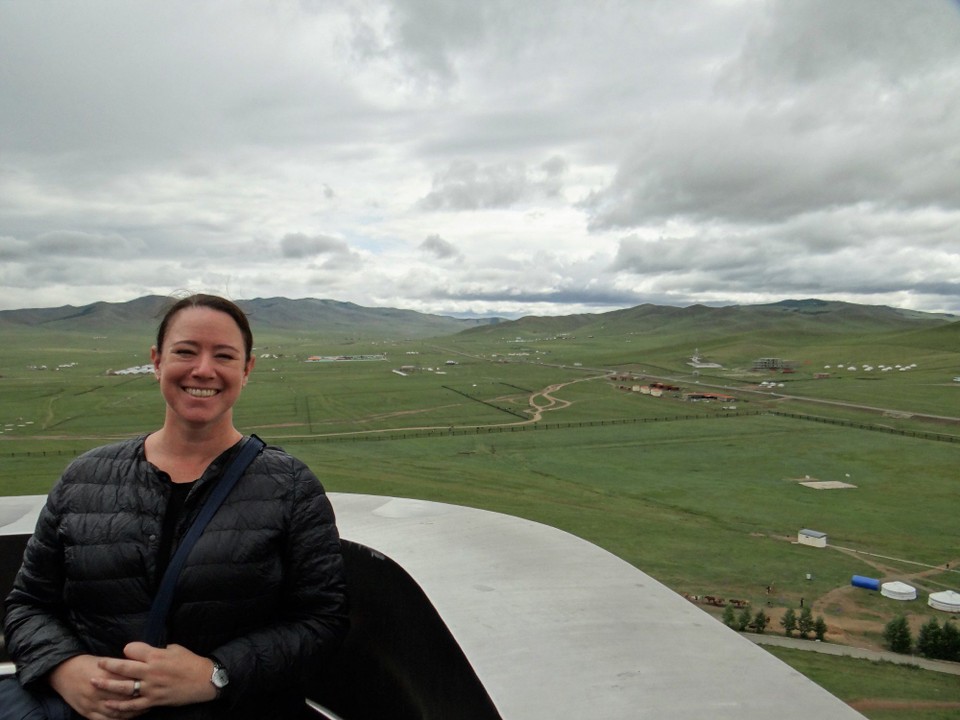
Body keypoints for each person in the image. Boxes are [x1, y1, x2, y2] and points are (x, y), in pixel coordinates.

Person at [3, 294, 349, 719]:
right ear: (156, 361)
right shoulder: (83, 478)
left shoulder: (291, 486)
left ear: (247, 370)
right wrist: (64, 669)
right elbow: (28, 603)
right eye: (185, 351)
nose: (203, 370)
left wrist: (216, 675)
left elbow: (322, 621)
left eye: (224, 355)